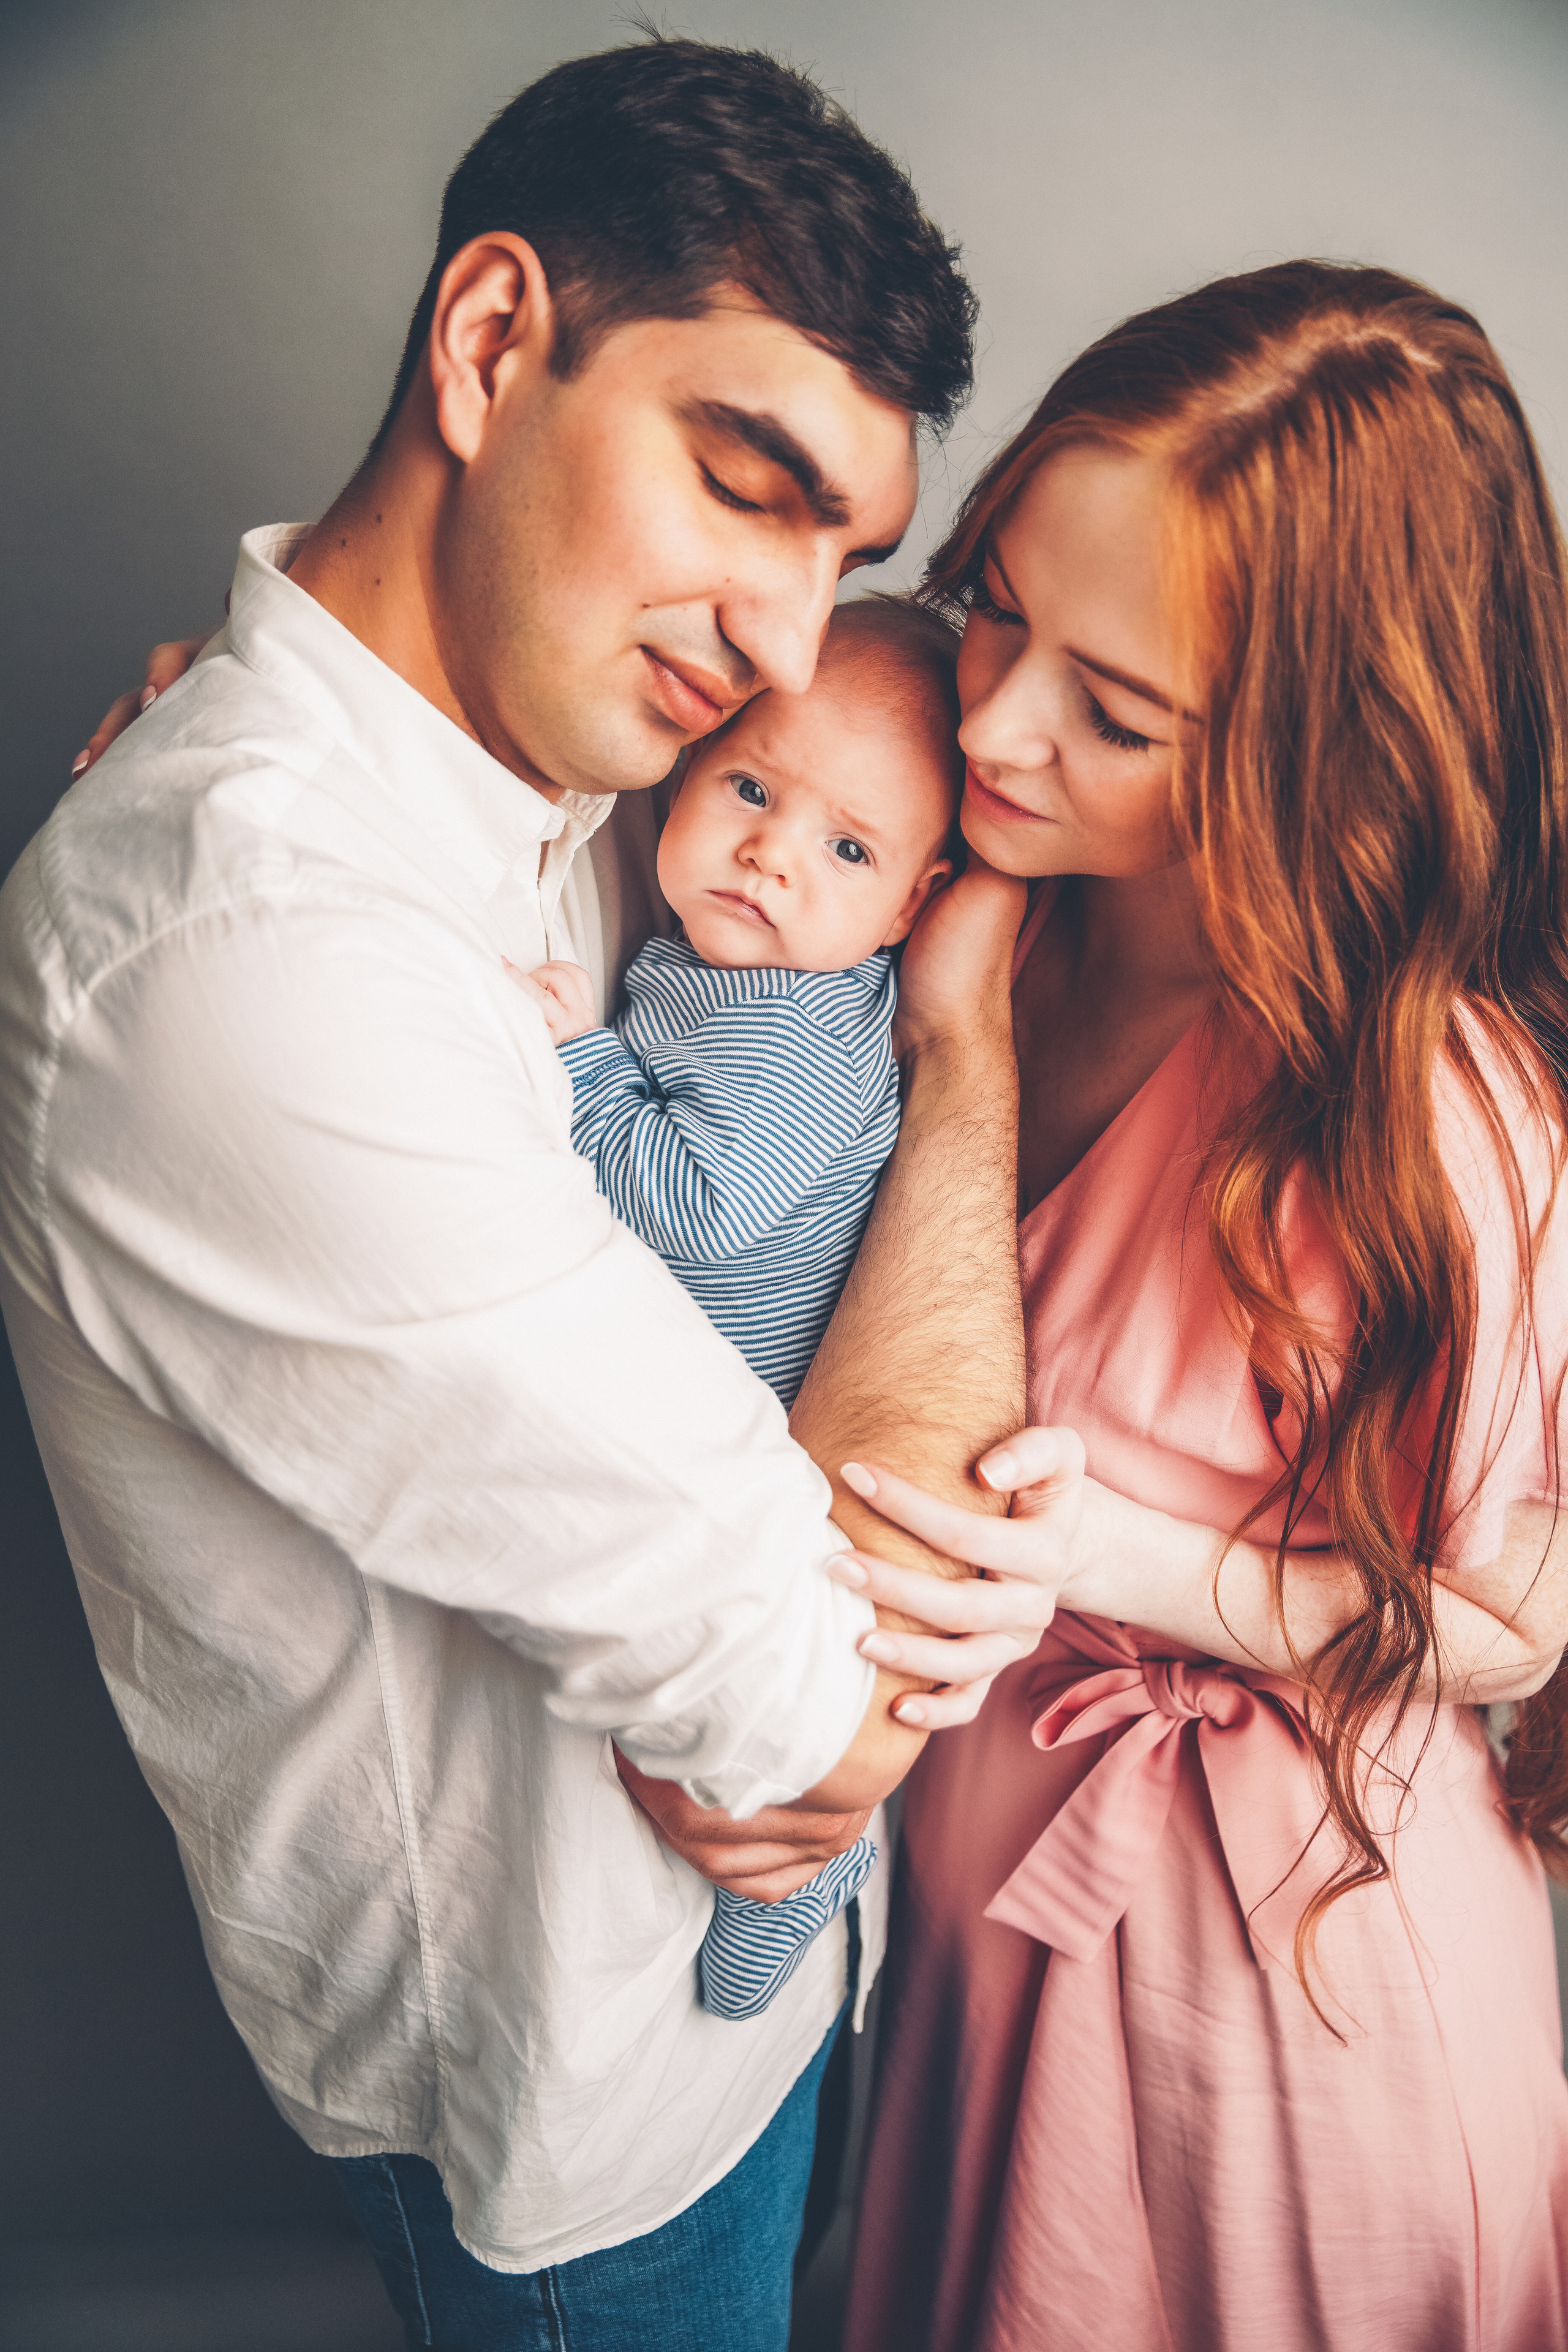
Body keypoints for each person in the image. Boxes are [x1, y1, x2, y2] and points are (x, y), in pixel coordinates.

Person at [0, 38, 1050, 2351]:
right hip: (578, 2120)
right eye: (737, 478)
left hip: (748, 2001)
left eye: (834, 556)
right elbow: (820, 1712)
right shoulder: (252, 959)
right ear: (493, 345)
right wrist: (959, 1051)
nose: (784, 641)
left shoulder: (572, 772)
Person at [822, 260, 1568, 2350]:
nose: (992, 720)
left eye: (1115, 711)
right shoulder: (933, 859)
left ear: (1335, 758)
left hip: (1275, 2016)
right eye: (995, 608)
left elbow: (1516, 1612)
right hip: (960, 1958)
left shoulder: (1423, 1114)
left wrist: (1117, 1558)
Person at [521, 596, 962, 2021]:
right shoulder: (742, 969)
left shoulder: (800, 1034)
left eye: (846, 848)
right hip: (708, 1411)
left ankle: (812, 1885)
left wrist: (574, 1064)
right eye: (750, 791)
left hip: (768, 1440)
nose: (772, 856)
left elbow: (698, 1203)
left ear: (908, 904)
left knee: (731, 1726)